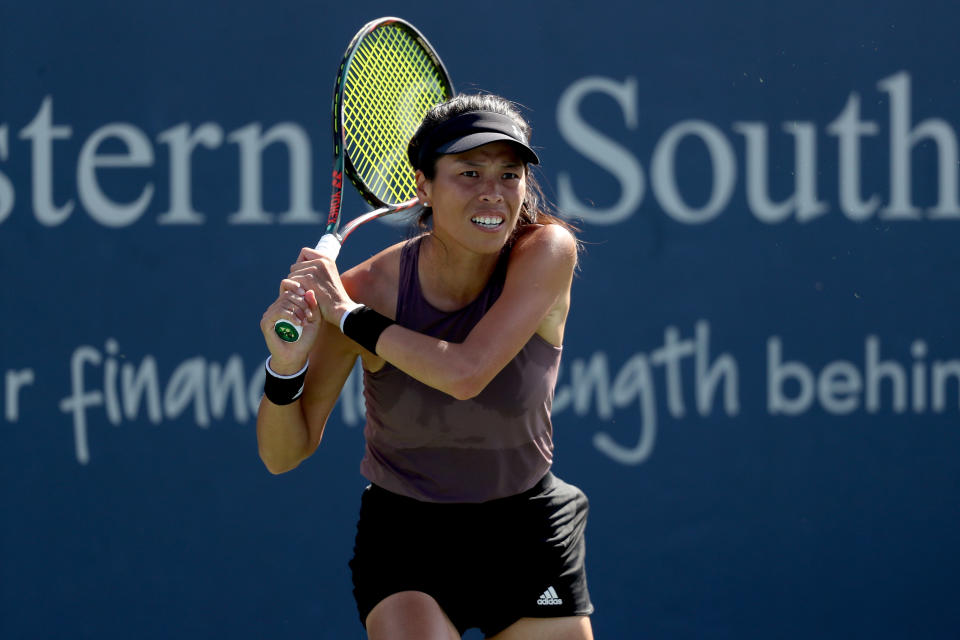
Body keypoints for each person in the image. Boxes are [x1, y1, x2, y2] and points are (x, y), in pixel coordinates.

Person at [256, 93, 594, 640]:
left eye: (510, 174)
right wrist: (285, 365)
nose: (494, 192)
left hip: (527, 527)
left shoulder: (546, 249)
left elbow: (467, 373)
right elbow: (282, 454)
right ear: (424, 187)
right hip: (407, 538)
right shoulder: (368, 291)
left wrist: (348, 318)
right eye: (469, 172)